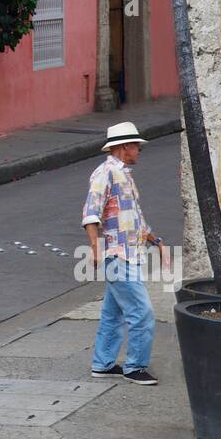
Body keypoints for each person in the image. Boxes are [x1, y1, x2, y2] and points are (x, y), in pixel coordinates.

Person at [81, 121, 163, 385]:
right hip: (117, 256)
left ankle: (102, 364)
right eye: (136, 146)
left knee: (113, 314)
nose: (139, 150)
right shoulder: (105, 173)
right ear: (125, 147)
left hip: (129, 253)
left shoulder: (124, 174)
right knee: (142, 313)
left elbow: (133, 217)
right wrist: (95, 248)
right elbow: (91, 213)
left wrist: (154, 239)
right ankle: (135, 367)